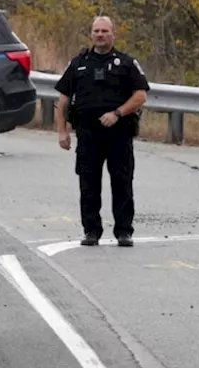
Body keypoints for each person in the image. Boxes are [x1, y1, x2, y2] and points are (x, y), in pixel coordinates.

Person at [54, 15, 149, 247]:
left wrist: (117, 113)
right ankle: (91, 231)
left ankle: (124, 231)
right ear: (91, 34)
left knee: (122, 182)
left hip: (119, 132)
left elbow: (140, 95)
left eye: (105, 31)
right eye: (96, 31)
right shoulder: (78, 63)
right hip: (87, 133)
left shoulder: (125, 63)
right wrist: (62, 131)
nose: (100, 35)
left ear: (113, 34)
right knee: (88, 184)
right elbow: (62, 100)